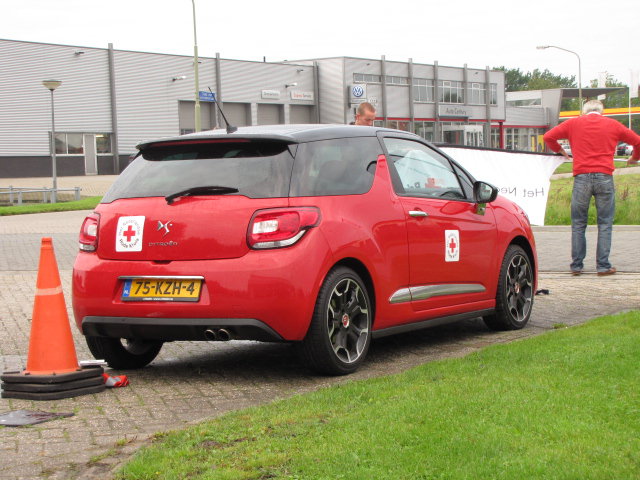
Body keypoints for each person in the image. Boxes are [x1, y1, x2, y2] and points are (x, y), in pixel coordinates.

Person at [543, 99, 640, 276]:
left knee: (578, 223)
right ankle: (603, 266)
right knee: (605, 223)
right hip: (604, 176)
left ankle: (576, 265)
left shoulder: (573, 123)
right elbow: (638, 142)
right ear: (601, 111)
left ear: (584, 111)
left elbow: (548, 136)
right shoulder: (613, 124)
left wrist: (561, 151)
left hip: (581, 177)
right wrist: (633, 158)